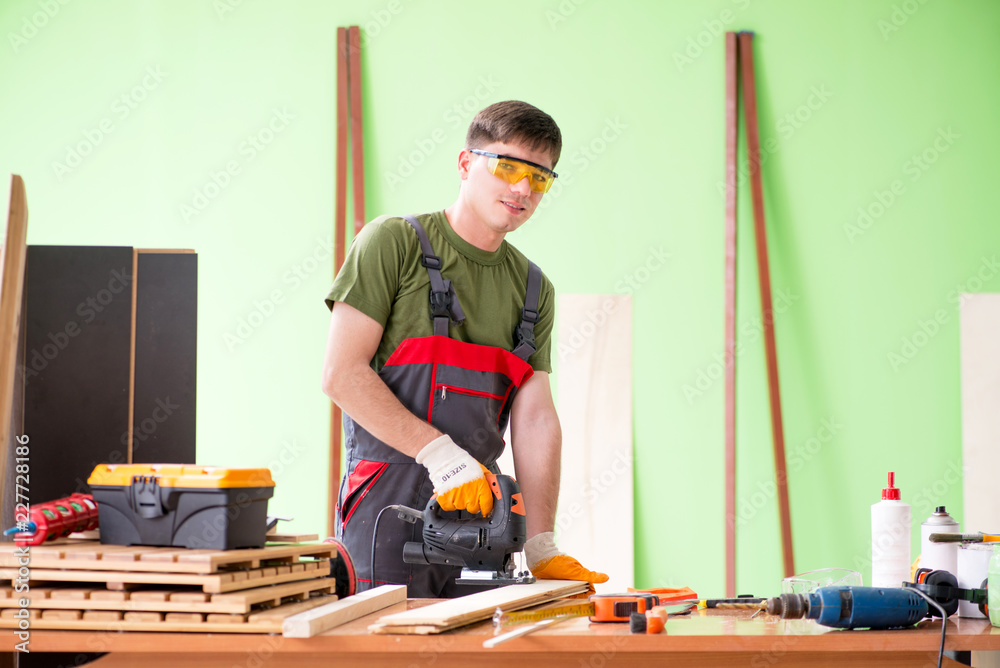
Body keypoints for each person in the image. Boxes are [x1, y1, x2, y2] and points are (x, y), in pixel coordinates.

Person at [321, 100, 608, 598]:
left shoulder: (535, 289)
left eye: (539, 177)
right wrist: (439, 456)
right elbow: (342, 375)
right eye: (508, 166)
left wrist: (540, 542)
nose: (522, 188)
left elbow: (536, 417)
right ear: (464, 163)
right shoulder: (394, 243)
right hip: (384, 518)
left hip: (480, 522)